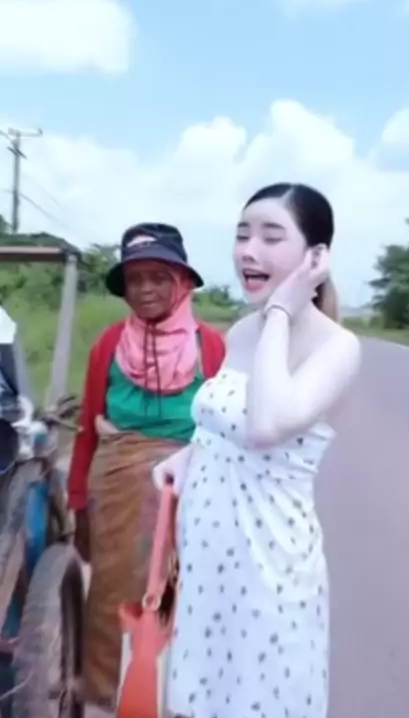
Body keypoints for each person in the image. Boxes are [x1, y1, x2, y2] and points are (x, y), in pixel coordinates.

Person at [153, 183, 361, 718]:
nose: (249, 250)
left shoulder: (337, 348)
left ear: (315, 257)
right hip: (206, 559)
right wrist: (186, 458)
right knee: (200, 700)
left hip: (269, 567)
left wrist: (282, 312)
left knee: (259, 701)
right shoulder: (243, 330)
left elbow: (266, 425)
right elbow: (220, 426)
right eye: (242, 235)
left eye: (271, 237)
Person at [66, 222, 225, 710]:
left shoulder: (210, 346)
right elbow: (89, 428)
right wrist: (77, 500)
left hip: (192, 481)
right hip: (117, 480)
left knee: (186, 589)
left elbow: (224, 430)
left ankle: (176, 694)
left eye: (159, 277)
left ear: (183, 283)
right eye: (135, 280)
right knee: (111, 587)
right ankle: (103, 694)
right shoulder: (109, 344)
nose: (146, 289)